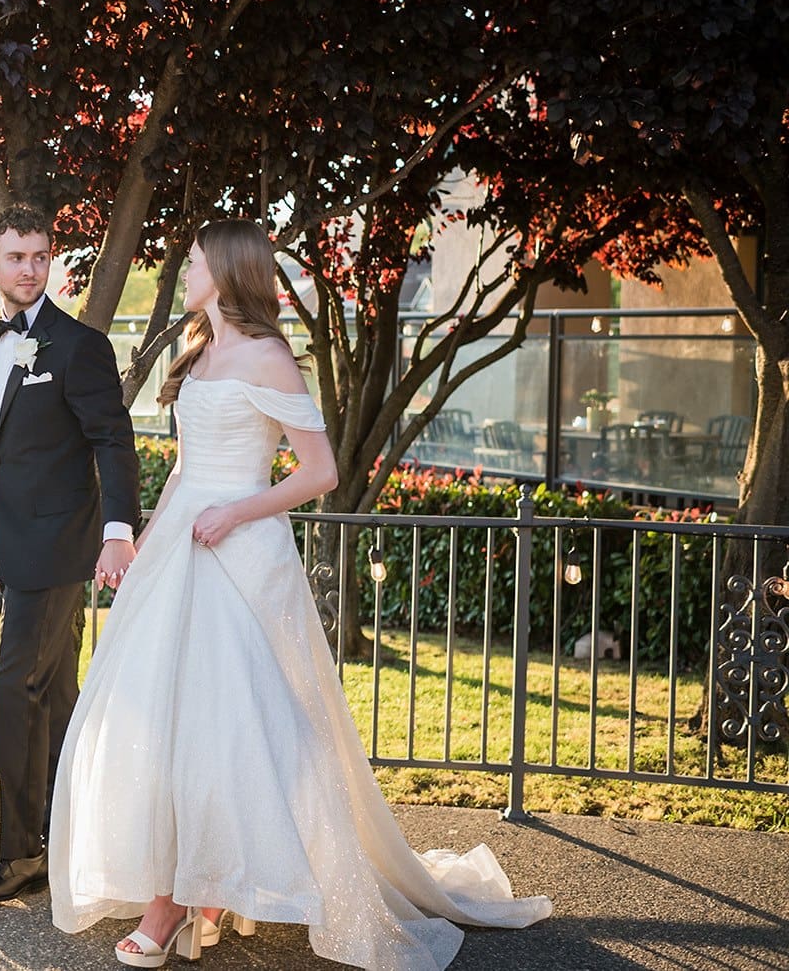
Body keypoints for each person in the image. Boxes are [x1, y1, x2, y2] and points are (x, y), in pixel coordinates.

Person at [47, 219, 552, 969]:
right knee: (166, 720)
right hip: (182, 545)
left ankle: (180, 901)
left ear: (227, 269)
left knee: (233, 725)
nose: (185, 273)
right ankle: (197, 889)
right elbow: (184, 469)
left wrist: (234, 513)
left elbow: (319, 473)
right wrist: (141, 545)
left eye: (194, 262)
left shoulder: (270, 356)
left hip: (241, 552)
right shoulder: (199, 349)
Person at [0, 202, 142, 904]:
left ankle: (19, 854)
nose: (30, 269)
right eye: (16, 257)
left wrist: (119, 530)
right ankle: (65, 838)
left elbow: (112, 441)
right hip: (13, 547)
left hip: (60, 549)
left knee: (14, 689)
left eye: (40, 257)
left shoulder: (78, 345)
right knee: (57, 696)